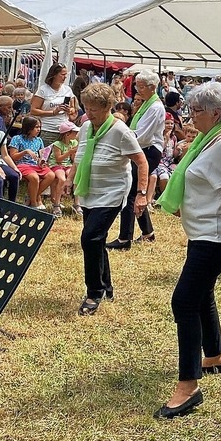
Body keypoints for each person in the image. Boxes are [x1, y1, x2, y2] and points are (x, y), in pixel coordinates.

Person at [155, 81, 221, 419]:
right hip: (202, 233)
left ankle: (188, 385)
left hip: (216, 237)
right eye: (190, 109)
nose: (191, 115)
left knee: (184, 301)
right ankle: (214, 355)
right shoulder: (208, 141)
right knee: (203, 294)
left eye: (197, 110)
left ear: (216, 113)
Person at [69, 83, 148, 316]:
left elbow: (141, 162)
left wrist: (142, 194)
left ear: (107, 108)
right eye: (86, 107)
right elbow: (80, 156)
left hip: (112, 192)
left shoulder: (120, 131)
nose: (88, 112)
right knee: (97, 239)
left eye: (93, 109)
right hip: (89, 190)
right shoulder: (85, 128)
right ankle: (106, 287)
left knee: (90, 238)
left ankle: (93, 292)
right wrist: (70, 178)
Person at [107, 70, 164, 249]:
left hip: (148, 150)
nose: (137, 90)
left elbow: (144, 136)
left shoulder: (155, 107)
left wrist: (121, 139)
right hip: (141, 148)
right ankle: (148, 233)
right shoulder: (147, 103)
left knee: (130, 193)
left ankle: (125, 239)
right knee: (134, 191)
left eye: (140, 87)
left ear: (152, 87)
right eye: (136, 86)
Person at [8, 116, 56, 210]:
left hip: (35, 165)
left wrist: (42, 162)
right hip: (22, 164)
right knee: (34, 177)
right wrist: (25, 151)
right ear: (28, 128)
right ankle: (34, 203)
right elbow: (13, 156)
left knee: (51, 175)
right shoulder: (17, 139)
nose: (38, 129)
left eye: (39, 127)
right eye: (36, 127)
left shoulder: (38, 140)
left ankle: (31, 197)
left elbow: (41, 155)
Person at [30, 62, 78, 145]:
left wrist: (69, 110)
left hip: (64, 130)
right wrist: (53, 112)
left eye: (66, 74)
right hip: (48, 129)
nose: (65, 77)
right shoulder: (43, 90)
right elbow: (33, 110)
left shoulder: (67, 90)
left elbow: (73, 108)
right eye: (62, 74)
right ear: (54, 75)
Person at [48, 121, 81, 216]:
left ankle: (77, 203)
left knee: (76, 176)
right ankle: (56, 204)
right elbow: (58, 159)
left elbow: (73, 159)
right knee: (62, 179)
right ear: (67, 134)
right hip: (56, 165)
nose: (76, 134)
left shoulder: (74, 142)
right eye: (74, 132)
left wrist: (75, 154)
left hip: (67, 165)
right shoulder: (57, 144)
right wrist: (69, 152)